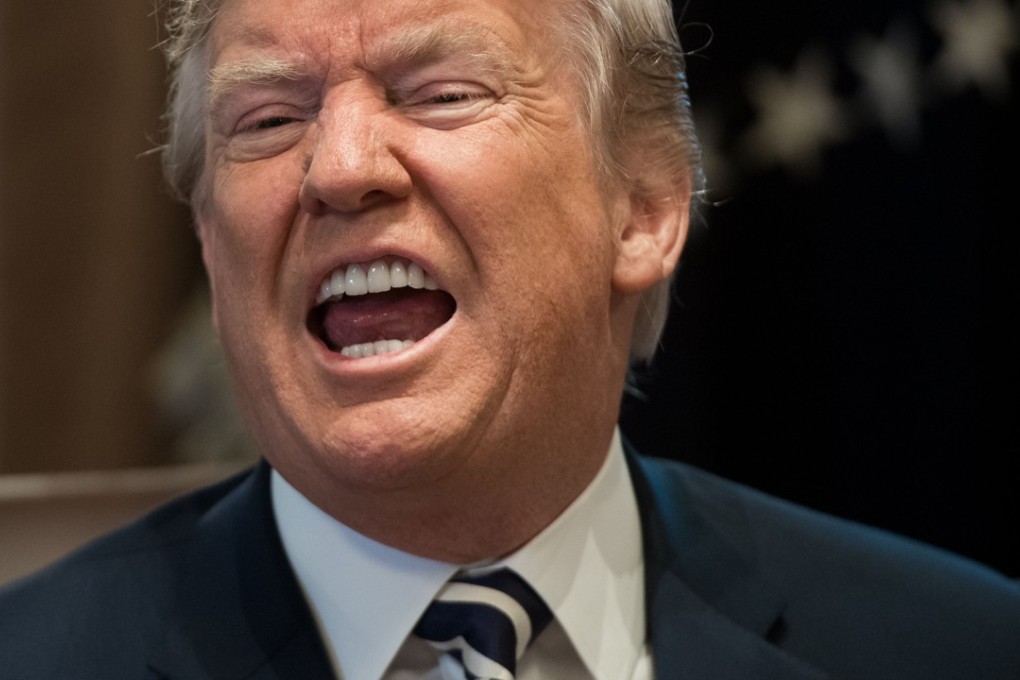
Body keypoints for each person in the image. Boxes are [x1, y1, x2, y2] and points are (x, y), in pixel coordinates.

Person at [1, 0, 1018, 677]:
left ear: (644, 209)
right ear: (211, 245)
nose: (340, 166)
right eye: (268, 120)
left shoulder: (958, 645)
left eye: (441, 93)